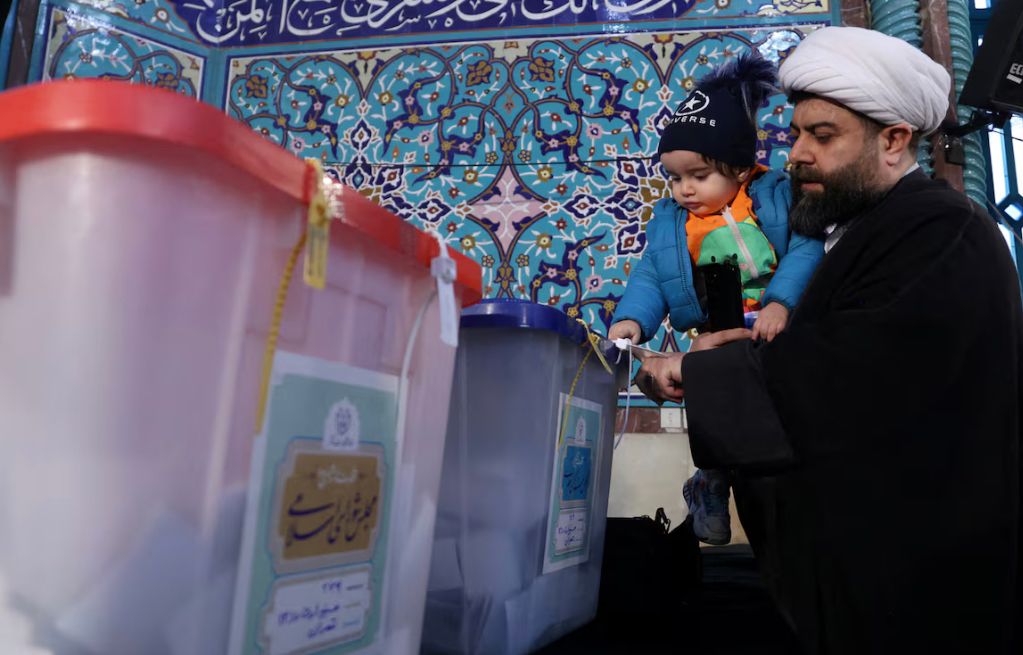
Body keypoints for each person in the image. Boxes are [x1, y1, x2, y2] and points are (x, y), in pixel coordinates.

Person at [636, 26, 1022, 654]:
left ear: (895, 141)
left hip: (922, 599)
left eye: (823, 136)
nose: (795, 156)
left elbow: (847, 379)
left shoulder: (938, 231)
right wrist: (734, 357)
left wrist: (693, 370)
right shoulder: (865, 236)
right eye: (795, 135)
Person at [608, 53, 823, 545]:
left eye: (698, 174)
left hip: (774, 329)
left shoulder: (773, 196)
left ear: (741, 168)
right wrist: (631, 321)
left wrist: (781, 303)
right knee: (712, 408)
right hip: (717, 335)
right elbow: (651, 276)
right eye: (675, 177)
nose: (684, 189)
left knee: (777, 420)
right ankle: (710, 482)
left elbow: (807, 246)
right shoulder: (672, 222)